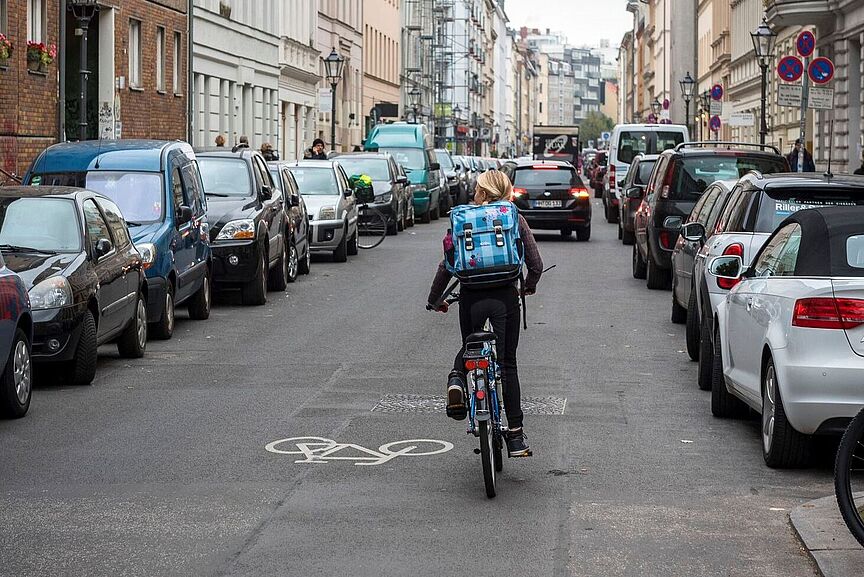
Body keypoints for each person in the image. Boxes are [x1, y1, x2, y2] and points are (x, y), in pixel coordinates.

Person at [426, 170, 544, 457]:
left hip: (471, 297)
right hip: (504, 297)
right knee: (507, 364)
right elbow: (535, 263)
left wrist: (435, 299)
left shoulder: (462, 217)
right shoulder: (512, 216)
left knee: (470, 349)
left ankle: (457, 380)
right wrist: (528, 286)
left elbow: (446, 264)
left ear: (482, 192)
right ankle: (515, 436)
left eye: (477, 190)